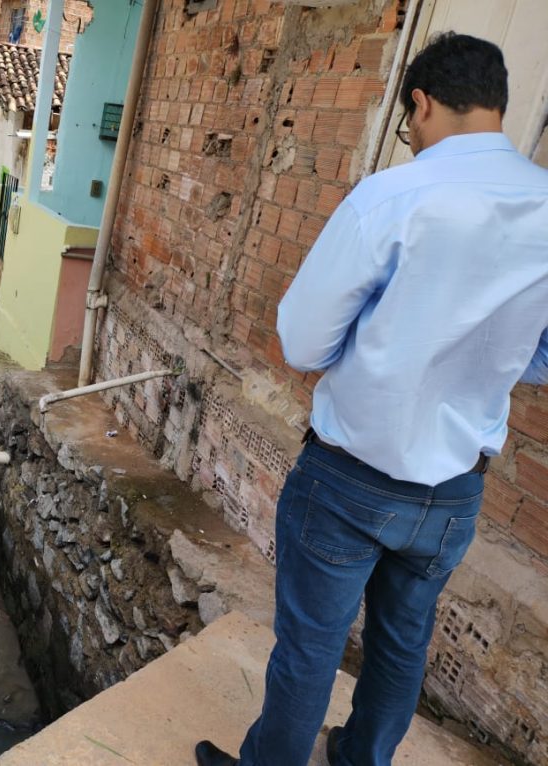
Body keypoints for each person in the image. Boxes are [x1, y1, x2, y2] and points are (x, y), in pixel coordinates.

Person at [195, 32, 548, 766]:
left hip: (351, 479)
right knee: (401, 643)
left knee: (310, 648)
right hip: (455, 491)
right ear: (496, 104)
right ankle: (361, 759)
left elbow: (303, 341)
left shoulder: (394, 196)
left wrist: (390, 345)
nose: (409, 134)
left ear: (421, 102)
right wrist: (481, 358)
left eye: (408, 120)